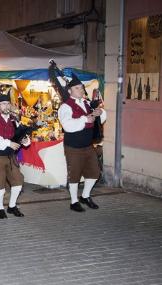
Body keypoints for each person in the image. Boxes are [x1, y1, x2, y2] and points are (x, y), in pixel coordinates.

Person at [58, 74, 107, 212]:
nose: (81, 90)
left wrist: (99, 112)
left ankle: (85, 196)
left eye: (81, 88)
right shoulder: (65, 107)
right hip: (73, 146)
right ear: (70, 91)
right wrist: (85, 119)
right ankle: (74, 202)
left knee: (94, 172)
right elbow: (67, 126)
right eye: (77, 88)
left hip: (88, 145)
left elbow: (100, 119)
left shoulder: (86, 103)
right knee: (75, 174)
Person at [0, 92, 30, 219]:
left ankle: (12, 206)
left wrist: (25, 140)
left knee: (18, 180)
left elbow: (20, 134)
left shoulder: (14, 119)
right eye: (3, 104)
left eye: (8, 104)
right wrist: (8, 143)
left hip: (11, 157)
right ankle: (0, 207)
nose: (6, 106)